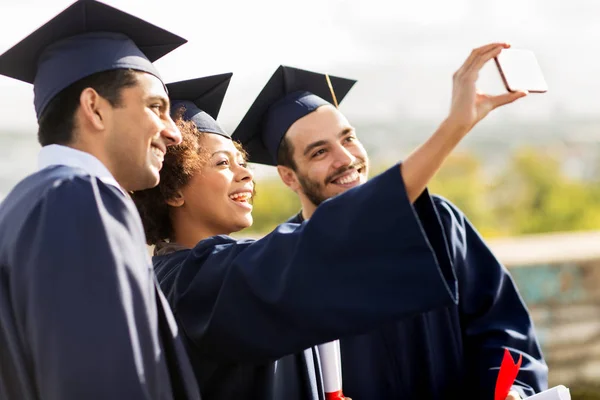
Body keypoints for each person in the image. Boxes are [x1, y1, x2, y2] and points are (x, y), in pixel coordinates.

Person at [133, 42, 529, 400]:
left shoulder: (216, 267)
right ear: (172, 191)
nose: (247, 174)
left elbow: (502, 327)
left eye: (349, 138)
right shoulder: (199, 280)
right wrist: (453, 127)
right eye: (223, 163)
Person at [230, 61, 548, 398]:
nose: (345, 159)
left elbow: (501, 327)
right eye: (320, 151)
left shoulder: (435, 222)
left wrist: (511, 389)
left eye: (348, 139)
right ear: (289, 176)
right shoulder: (283, 266)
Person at [0, 1, 200, 399]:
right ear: (94, 107)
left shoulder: (24, 206)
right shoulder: (79, 201)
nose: (173, 133)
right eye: (155, 108)